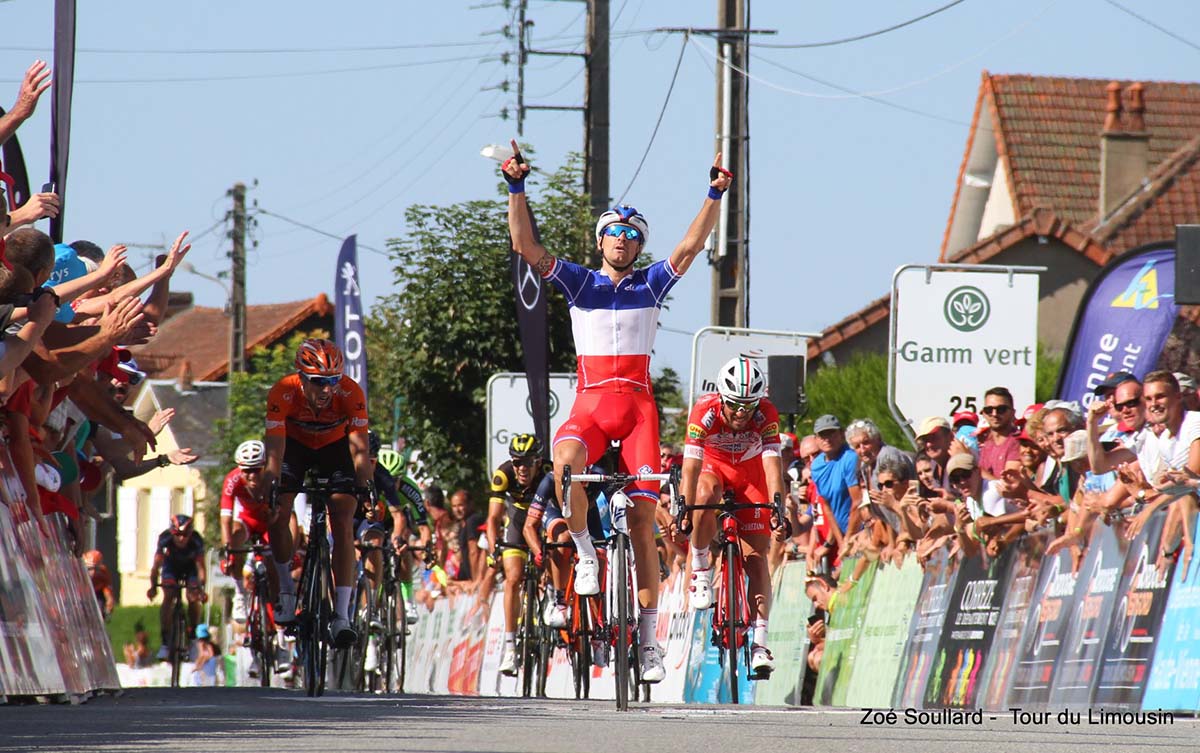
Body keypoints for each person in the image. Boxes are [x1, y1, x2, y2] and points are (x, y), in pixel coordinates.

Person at [502, 142, 732, 684]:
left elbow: (692, 245)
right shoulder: (579, 281)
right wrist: (516, 187)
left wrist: (714, 193)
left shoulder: (652, 282)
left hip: (637, 412)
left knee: (644, 524)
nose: (622, 241)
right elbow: (524, 245)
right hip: (591, 406)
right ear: (601, 240)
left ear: (639, 245)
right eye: (614, 233)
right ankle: (585, 552)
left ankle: (648, 642)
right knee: (564, 464)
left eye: (632, 235)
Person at [260, 338, 373, 649]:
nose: (327, 389)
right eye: (319, 381)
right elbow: (275, 450)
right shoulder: (283, 391)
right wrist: (271, 480)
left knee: (343, 519)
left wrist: (365, 485)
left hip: (335, 449)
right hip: (294, 447)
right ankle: (286, 590)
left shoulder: (350, 392)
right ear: (301, 377)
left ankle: (341, 617)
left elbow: (360, 450)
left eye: (333, 380)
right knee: (278, 512)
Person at [681, 356, 789, 675]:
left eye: (748, 406)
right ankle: (701, 567)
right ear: (722, 398)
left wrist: (778, 508)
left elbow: (773, 467)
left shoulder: (766, 413)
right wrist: (683, 507)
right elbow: (690, 467)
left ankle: (760, 644)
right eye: (735, 406)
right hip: (713, 469)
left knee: (756, 558)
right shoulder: (704, 410)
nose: (742, 413)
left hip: (750, 475)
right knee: (704, 494)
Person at [487, 433, 550, 676]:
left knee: (555, 552)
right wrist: (493, 549)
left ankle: (555, 601)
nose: (522, 468)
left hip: (544, 515)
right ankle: (511, 648)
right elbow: (493, 518)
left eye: (528, 462)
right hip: (516, 517)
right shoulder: (503, 474)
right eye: (517, 462)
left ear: (538, 462)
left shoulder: (548, 471)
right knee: (513, 578)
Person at [219, 439, 273, 624]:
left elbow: (285, 515)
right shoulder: (232, 480)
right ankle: (240, 594)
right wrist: (228, 551)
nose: (251, 476)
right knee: (234, 537)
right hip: (247, 520)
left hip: (269, 522)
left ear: (265, 466)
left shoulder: (273, 477)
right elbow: (225, 519)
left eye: (256, 470)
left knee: (275, 563)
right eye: (246, 470)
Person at [147, 514, 207, 661]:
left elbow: (201, 568)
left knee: (193, 597)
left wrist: (201, 590)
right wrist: (153, 586)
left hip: (191, 568)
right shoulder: (165, 539)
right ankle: (165, 642)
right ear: (172, 533)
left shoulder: (196, 541)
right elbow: (156, 566)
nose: (181, 539)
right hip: (171, 567)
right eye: (177, 534)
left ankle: (192, 637)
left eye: (185, 535)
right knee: (168, 595)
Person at [977, 387, 1021, 479]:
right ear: (984, 413)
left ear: (1012, 412)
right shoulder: (985, 442)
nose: (994, 414)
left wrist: (973, 467)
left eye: (1001, 409)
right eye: (989, 410)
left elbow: (1009, 484)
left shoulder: (1018, 442)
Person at [83, 549, 116, 619]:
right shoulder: (78, 573)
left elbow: (107, 588)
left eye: (96, 569)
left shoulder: (103, 573)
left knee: (99, 607)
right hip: (82, 595)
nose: (93, 572)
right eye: (90, 569)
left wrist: (109, 601)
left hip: (97, 594)